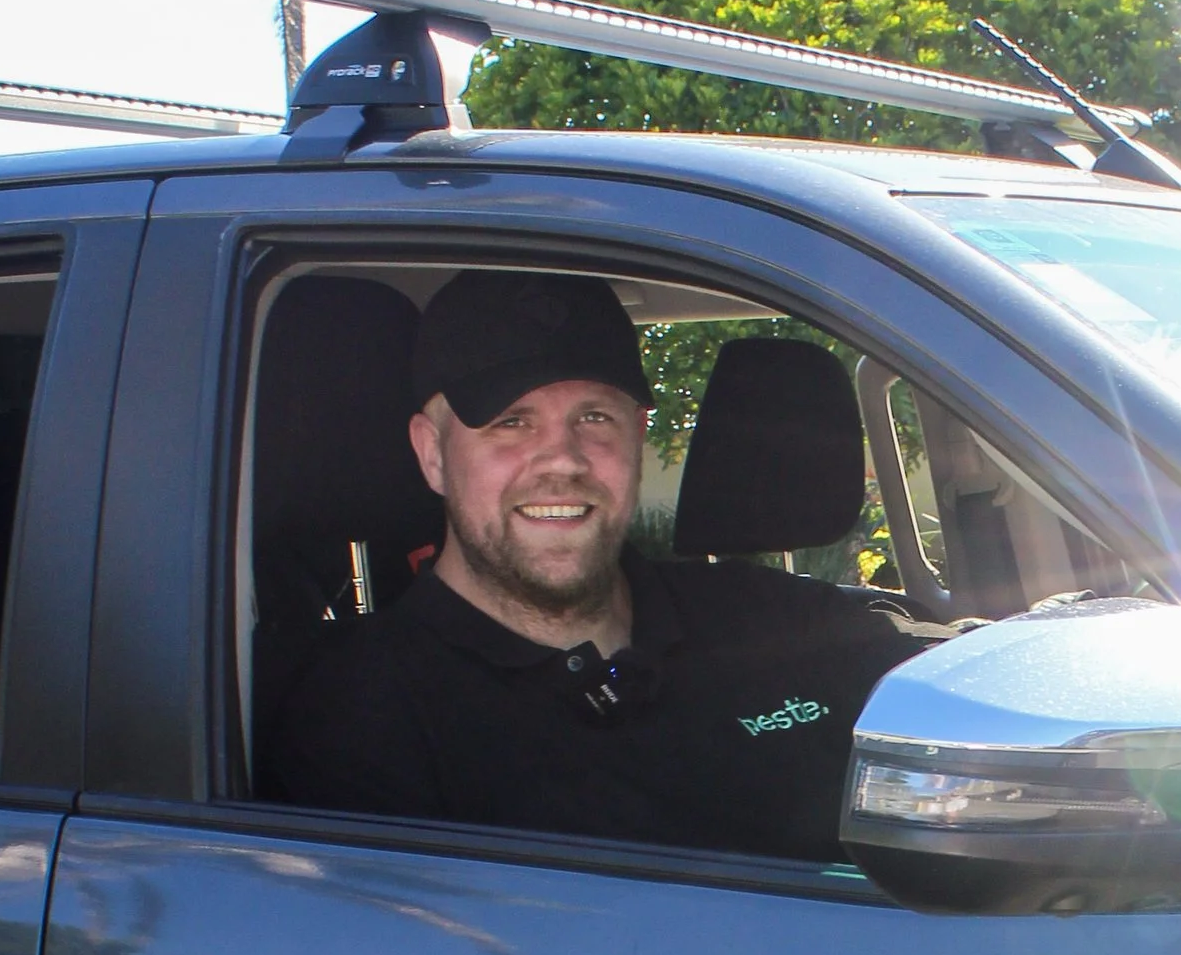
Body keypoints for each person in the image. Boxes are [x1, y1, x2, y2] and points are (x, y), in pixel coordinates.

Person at [262, 268, 926, 859]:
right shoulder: (363, 717)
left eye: (594, 417)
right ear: (432, 453)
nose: (563, 460)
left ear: (637, 437)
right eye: (511, 423)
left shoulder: (790, 625)